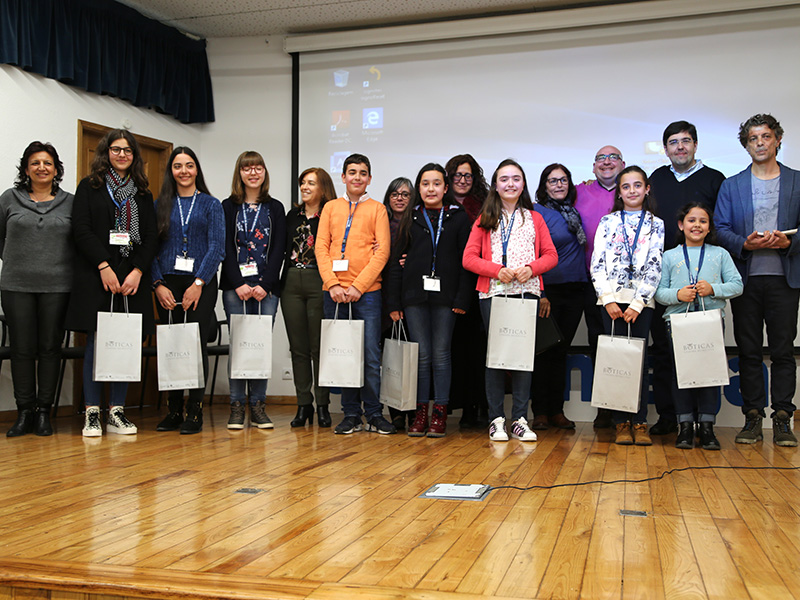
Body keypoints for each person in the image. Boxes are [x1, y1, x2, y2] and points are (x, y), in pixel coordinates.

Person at [65, 129, 158, 437]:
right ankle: (92, 412)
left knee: (126, 343)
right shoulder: (90, 187)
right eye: (116, 149)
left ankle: (116, 411)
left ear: (135, 156)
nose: (121, 155)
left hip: (132, 279)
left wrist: (136, 272)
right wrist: (104, 266)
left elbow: (149, 239)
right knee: (96, 341)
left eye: (127, 150)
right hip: (97, 277)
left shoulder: (143, 193)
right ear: (106, 153)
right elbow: (81, 230)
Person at [714, 113, 800, 447]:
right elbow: (720, 228)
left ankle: (782, 419)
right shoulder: (731, 185)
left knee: (782, 352)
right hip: (745, 280)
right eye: (753, 138)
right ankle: (752, 417)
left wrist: (789, 242)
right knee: (749, 351)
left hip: (785, 280)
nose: (760, 143)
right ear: (746, 145)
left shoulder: (796, 181)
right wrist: (744, 244)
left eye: (766, 137)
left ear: (778, 140)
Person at [463, 159, 558, 442]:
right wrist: (496, 271)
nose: (510, 184)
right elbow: (468, 258)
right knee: (497, 358)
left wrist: (532, 268)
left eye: (516, 178)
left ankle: (519, 418)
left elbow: (551, 256)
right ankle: (496, 419)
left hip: (526, 293)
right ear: (495, 185)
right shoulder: (484, 219)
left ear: (523, 184)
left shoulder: (535, 218)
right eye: (504, 179)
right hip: (493, 295)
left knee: (521, 359)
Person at [648, 121, 727, 436]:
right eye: (673, 142)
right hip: (666, 280)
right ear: (665, 148)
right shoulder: (657, 179)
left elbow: (720, 226)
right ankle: (672, 417)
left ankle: (703, 420)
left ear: (696, 145)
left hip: (701, 283)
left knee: (702, 352)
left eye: (685, 141)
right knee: (665, 352)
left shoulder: (715, 179)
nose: (679, 147)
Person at [386, 163, 472, 437]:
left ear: (446, 188)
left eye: (436, 184)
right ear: (418, 188)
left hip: (447, 298)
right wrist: (394, 304)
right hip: (414, 298)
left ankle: (440, 413)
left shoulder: (458, 218)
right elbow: (396, 263)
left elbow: (465, 263)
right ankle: (420, 412)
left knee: (441, 355)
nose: (431, 189)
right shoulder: (411, 217)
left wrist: (462, 297)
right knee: (421, 357)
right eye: (425, 184)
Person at [315, 153, 394, 435]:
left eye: (363, 173)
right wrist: (333, 284)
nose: (357, 177)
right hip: (333, 292)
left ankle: (373, 413)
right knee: (343, 354)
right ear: (343, 177)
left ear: (369, 179)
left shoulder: (378, 210)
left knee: (371, 356)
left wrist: (357, 287)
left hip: (368, 294)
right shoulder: (330, 208)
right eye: (352, 172)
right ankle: (351, 414)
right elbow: (321, 248)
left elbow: (382, 252)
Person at [656, 202, 742, 450]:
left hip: (711, 322)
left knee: (709, 375)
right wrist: (678, 295)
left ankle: (706, 427)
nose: (697, 225)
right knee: (680, 375)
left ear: (709, 227)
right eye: (691, 220)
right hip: (678, 323)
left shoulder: (720, 254)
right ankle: (684, 426)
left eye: (703, 221)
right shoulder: (669, 256)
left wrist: (714, 289)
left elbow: (737, 285)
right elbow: (660, 293)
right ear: (681, 225)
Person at [1, 142, 73, 437]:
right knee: (21, 350)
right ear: (26, 169)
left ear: (56, 169)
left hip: (57, 286)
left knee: (49, 348)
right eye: (35, 163)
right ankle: (24, 412)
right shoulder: (9, 198)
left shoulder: (71, 202)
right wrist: (18, 262)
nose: (41, 168)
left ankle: (44, 412)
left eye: (47, 163)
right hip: (16, 285)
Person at [152, 147, 224, 435]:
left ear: (197, 170)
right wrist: (157, 285)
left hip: (200, 284)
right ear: (171, 171)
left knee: (193, 346)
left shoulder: (210, 204)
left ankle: (194, 411)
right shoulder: (160, 204)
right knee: (171, 346)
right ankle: (173, 410)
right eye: (178, 166)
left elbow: (216, 247)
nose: (184, 171)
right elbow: (151, 250)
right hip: (168, 284)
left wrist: (198, 283)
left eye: (189, 165)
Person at [591, 166, 663, 446]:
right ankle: (621, 421)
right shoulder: (608, 221)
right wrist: (608, 299)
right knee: (616, 362)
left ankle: (640, 420)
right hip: (610, 303)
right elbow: (597, 263)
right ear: (619, 192)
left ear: (647, 189)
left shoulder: (656, 223)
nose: (632, 191)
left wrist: (638, 303)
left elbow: (655, 265)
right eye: (626, 186)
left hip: (641, 304)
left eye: (637, 185)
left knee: (639, 362)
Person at [220, 151, 285, 430]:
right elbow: (224, 246)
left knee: (259, 344)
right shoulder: (227, 206)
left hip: (266, 290)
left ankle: (258, 405)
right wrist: (239, 284)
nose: (253, 173)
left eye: (258, 167)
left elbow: (280, 249)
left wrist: (264, 285)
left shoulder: (276, 207)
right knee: (239, 345)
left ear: (264, 172)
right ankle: (236, 406)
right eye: (247, 168)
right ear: (240, 173)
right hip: (236, 288)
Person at [531, 163, 588, 430]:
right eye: (552, 181)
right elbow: (532, 256)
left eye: (563, 180)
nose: (558, 185)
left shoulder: (574, 212)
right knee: (544, 350)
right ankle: (540, 411)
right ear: (544, 186)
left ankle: (557, 410)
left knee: (561, 351)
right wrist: (541, 292)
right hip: (549, 292)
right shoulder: (536, 212)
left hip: (576, 289)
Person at [574, 146, 626, 429]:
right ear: (593, 167)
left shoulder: (631, 190)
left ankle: (618, 409)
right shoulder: (578, 191)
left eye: (613, 158)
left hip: (617, 287)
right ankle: (602, 408)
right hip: (581, 280)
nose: (607, 163)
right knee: (596, 345)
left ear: (623, 164)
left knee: (614, 347)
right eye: (601, 159)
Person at [281, 167, 336, 427]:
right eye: (303, 182)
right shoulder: (292, 215)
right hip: (291, 281)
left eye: (311, 183)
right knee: (298, 348)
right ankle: (304, 404)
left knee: (318, 348)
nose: (304, 187)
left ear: (323, 188)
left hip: (319, 280)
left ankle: (323, 406)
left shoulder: (331, 215)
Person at [444, 154, 490, 429]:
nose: (462, 181)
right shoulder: (438, 203)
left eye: (468, 176)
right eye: (457, 175)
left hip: (478, 285)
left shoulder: (484, 206)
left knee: (477, 349)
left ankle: (475, 407)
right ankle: (454, 403)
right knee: (452, 349)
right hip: (448, 287)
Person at [381, 176, 415, 431]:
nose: (400, 198)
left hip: (410, 297)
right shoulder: (379, 222)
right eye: (395, 194)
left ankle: (413, 410)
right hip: (381, 297)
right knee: (391, 356)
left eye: (405, 194)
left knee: (411, 358)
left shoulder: (417, 223)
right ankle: (395, 412)